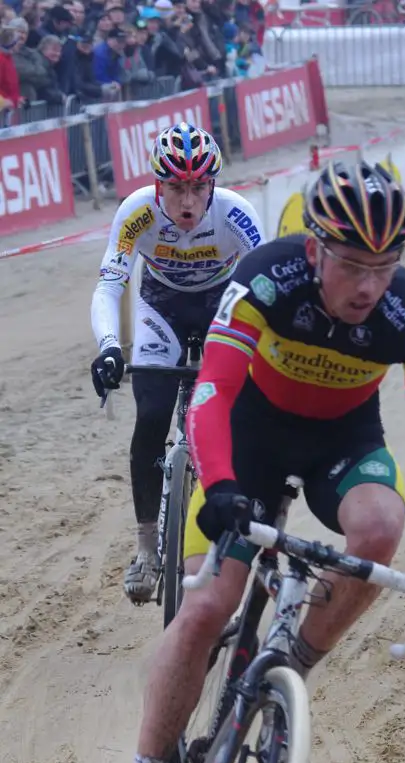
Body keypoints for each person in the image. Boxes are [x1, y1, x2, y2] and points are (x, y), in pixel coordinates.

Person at [94, 159, 405, 763]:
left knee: (381, 525)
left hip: (342, 444)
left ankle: (291, 664)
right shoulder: (267, 278)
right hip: (248, 439)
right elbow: (212, 393)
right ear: (313, 250)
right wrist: (224, 487)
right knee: (206, 605)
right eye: (354, 265)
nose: (369, 287)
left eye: (386, 267)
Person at [89, 122, 265, 606]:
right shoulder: (136, 213)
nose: (187, 202)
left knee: (233, 418)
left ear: (213, 184)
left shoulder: (236, 214)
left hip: (220, 307)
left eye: (198, 187)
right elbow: (110, 284)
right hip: (159, 306)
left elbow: (267, 288)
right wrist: (108, 346)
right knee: (150, 416)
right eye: (175, 187)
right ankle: (147, 546)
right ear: (156, 184)